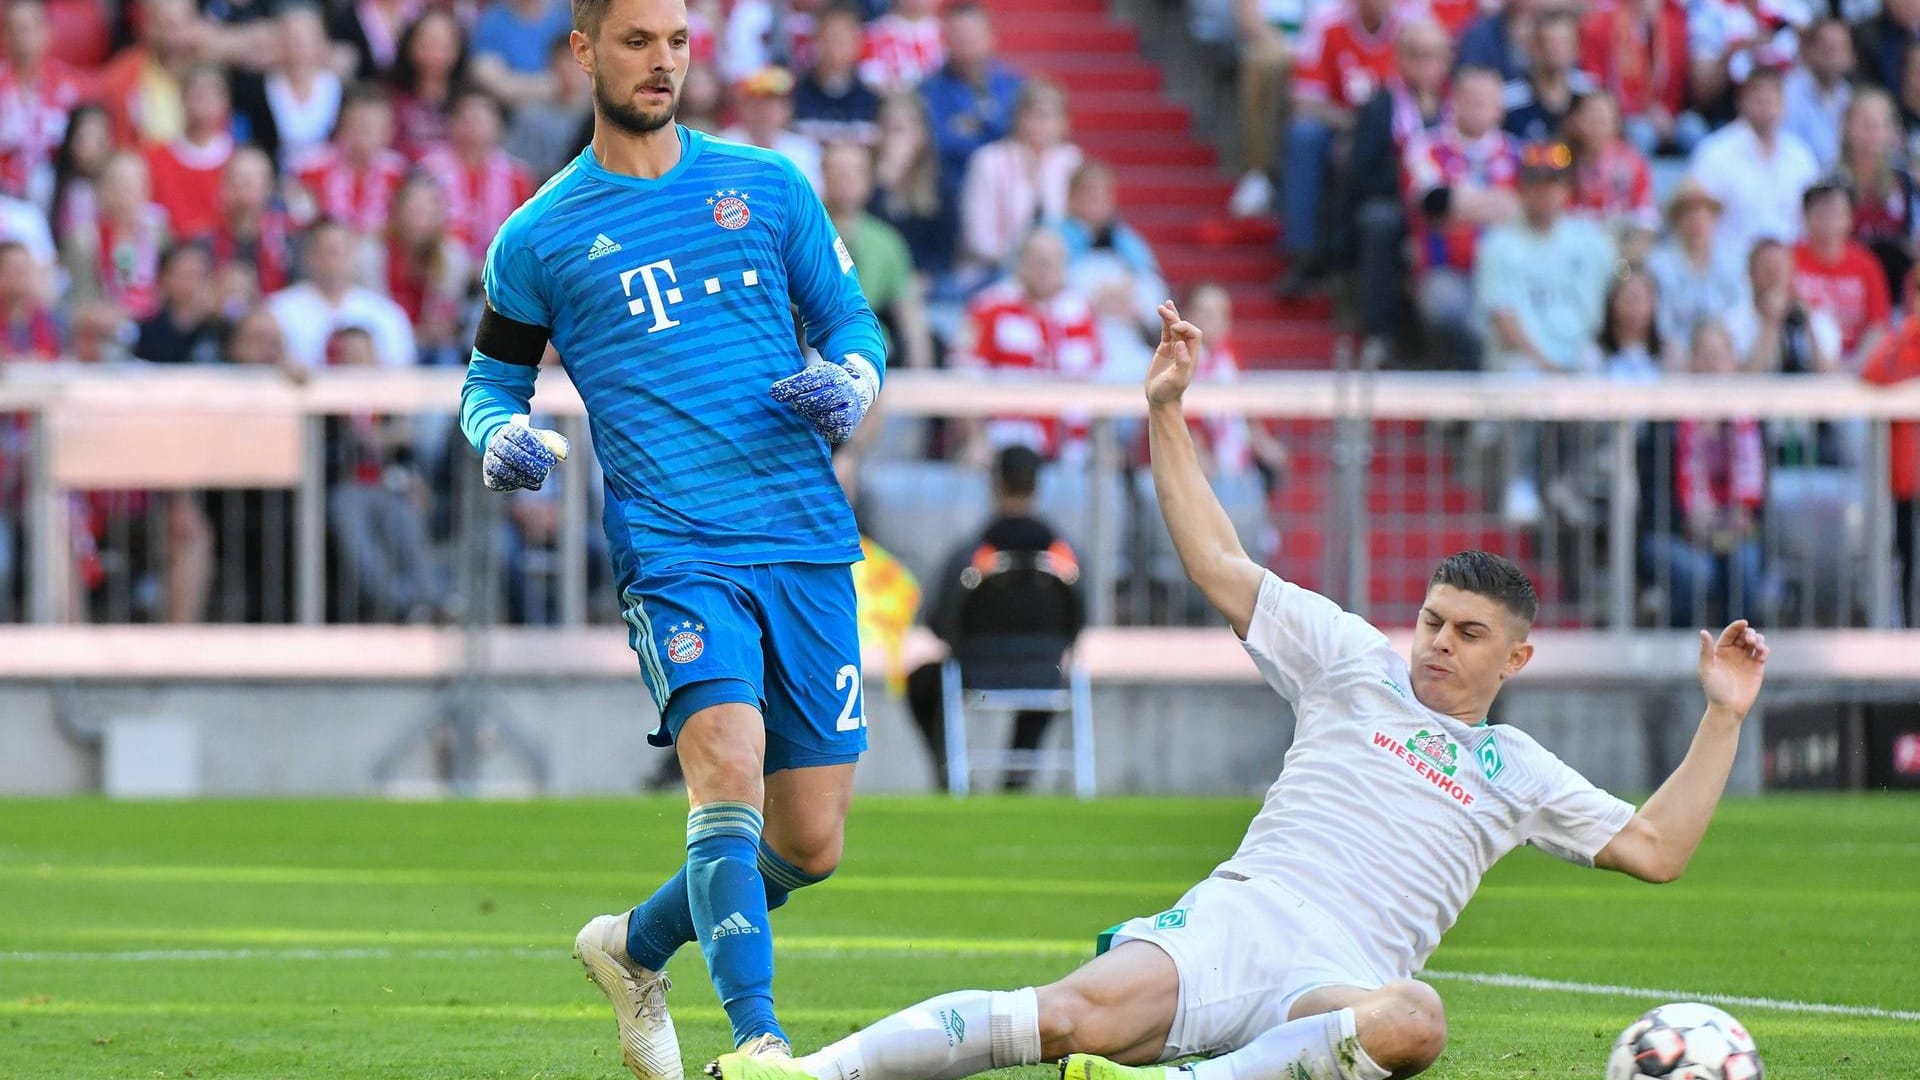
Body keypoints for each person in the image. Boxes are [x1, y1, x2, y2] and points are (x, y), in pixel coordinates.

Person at [714, 298, 1771, 1080]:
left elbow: (1656, 851)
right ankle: (803, 1076)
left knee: (1416, 1024)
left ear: (1517, 659)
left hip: (1339, 979)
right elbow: (1221, 565)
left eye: (1469, 635)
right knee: (1067, 1015)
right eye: (1434, 621)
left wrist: (1722, 713)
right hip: (1245, 917)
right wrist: (1167, 413)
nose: (1439, 644)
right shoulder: (1351, 659)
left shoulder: (1517, 770)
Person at [455, 0, 888, 1073]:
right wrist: (500, 433)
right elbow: (490, 380)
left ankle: (632, 949)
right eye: (640, 40)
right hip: (676, 548)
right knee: (727, 767)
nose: (663, 62)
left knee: (811, 842)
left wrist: (851, 381)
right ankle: (758, 1043)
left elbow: (852, 319)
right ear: (585, 51)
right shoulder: (539, 234)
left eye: (679, 41)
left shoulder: (770, 186)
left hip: (803, 535)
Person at [903, 444, 1083, 791]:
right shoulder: (1063, 554)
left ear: (995, 483)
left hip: (975, 668)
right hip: (1045, 670)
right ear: (1036, 484)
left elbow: (938, 620)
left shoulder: (973, 552)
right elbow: (1079, 618)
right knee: (1051, 674)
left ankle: (951, 773)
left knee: (921, 683)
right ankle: (1016, 780)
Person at [1688, 66, 1820, 262]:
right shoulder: (1714, 153)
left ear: (1784, 104)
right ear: (1741, 101)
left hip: (1789, 267)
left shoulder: (1801, 157)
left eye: (1773, 98)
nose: (1766, 105)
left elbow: (1812, 222)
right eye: (1759, 97)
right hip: (1730, 267)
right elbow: (1697, 218)